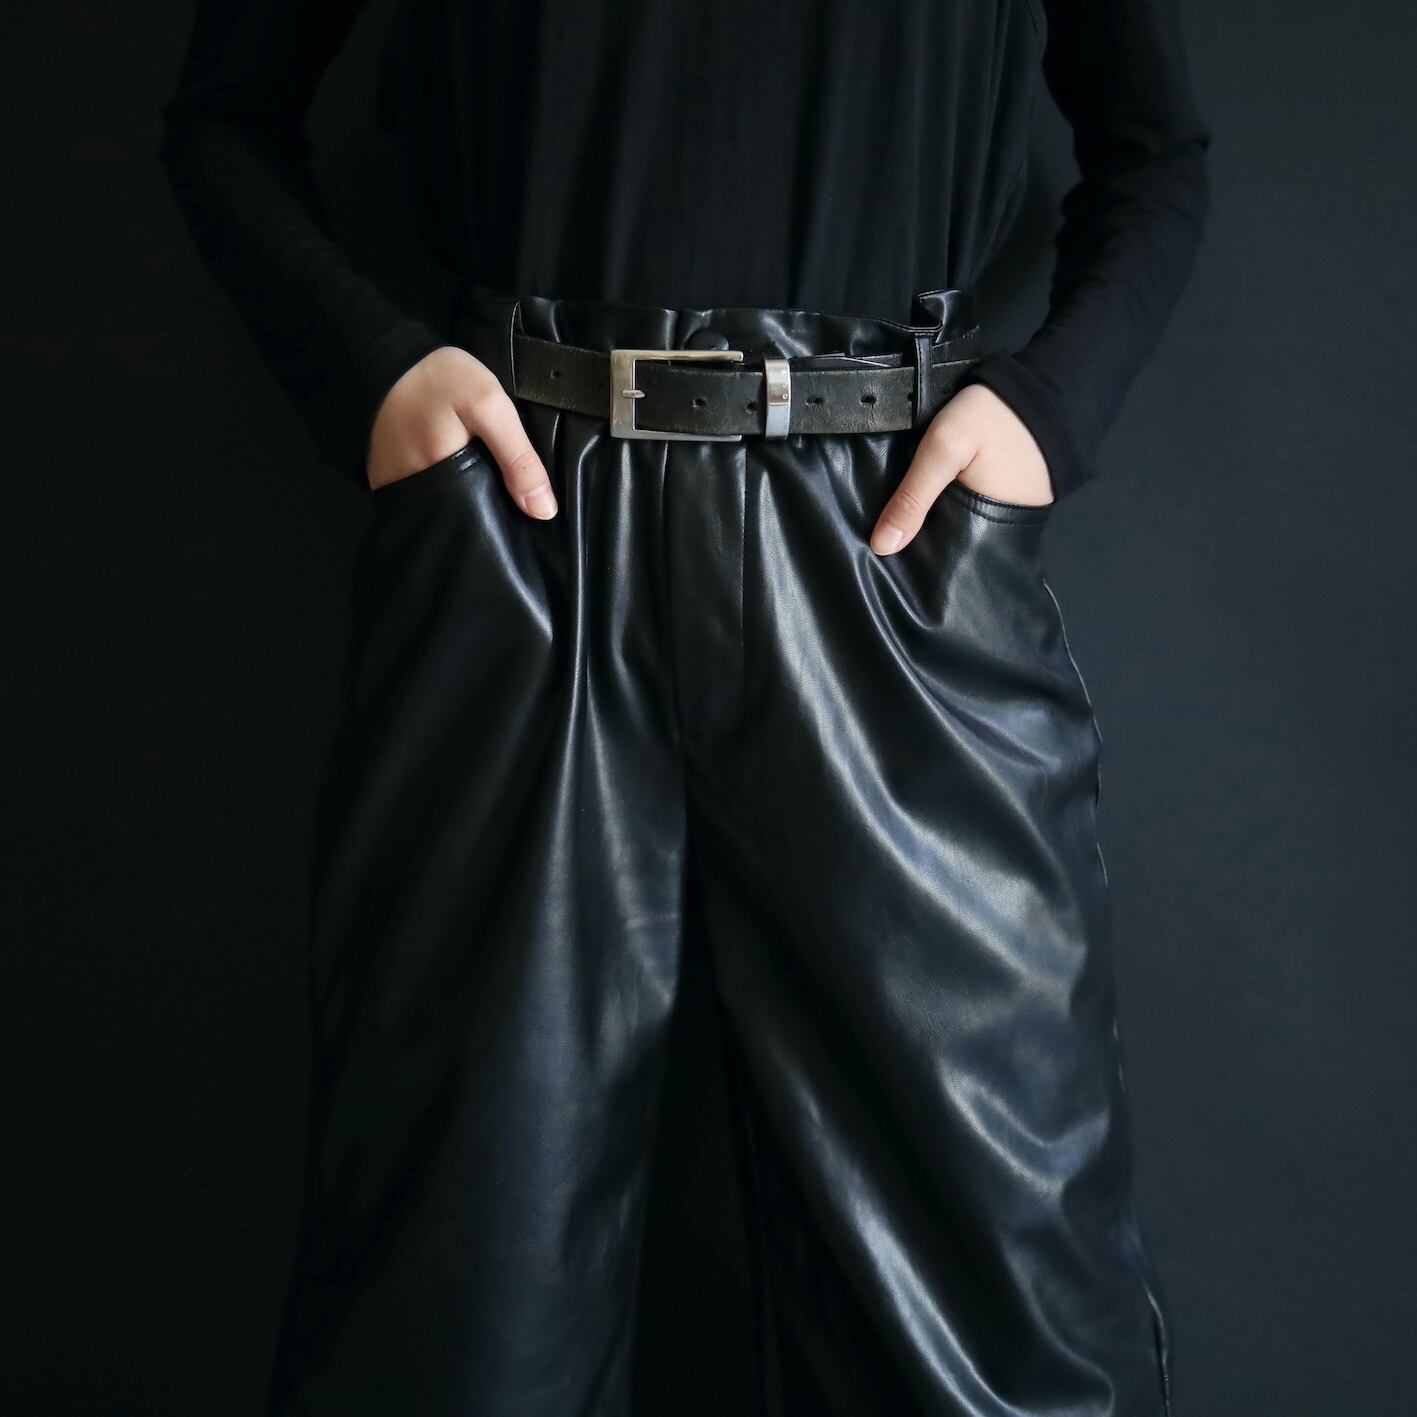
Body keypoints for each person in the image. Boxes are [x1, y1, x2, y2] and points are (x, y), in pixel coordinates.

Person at [155, 1, 1211, 1413]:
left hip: (892, 545)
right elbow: (222, 120)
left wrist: (1045, 410)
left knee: (1006, 1317)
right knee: (456, 1312)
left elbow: (1156, 153)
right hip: (525, 531)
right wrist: (375, 374)